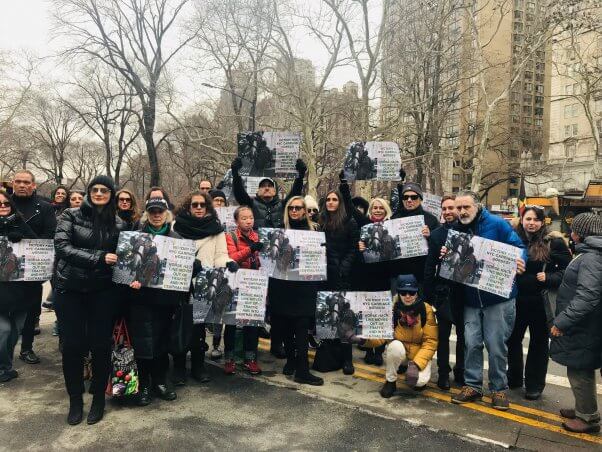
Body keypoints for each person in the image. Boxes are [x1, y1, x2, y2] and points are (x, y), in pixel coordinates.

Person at [447, 191, 526, 411]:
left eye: (466, 207)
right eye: (458, 208)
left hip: (497, 298)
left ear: (477, 206)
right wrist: (447, 253)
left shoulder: (497, 224)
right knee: (471, 343)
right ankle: (472, 385)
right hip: (471, 299)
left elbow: (519, 247)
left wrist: (520, 260)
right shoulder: (455, 229)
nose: (461, 212)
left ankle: (498, 388)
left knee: (496, 345)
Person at [54, 175, 123, 425]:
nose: (99, 193)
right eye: (94, 189)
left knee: (101, 347)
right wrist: (99, 258)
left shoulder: (118, 223)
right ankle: (75, 400)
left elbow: (122, 258)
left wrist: (133, 274)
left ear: (111, 194)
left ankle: (98, 400)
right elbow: (62, 247)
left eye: (104, 190)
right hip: (70, 289)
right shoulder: (70, 215)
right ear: (88, 192)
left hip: (102, 291)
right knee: (72, 346)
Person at [172, 191, 238, 384]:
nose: (199, 208)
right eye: (195, 205)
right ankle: (178, 367)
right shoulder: (176, 226)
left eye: (203, 205)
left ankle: (199, 366)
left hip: (204, 283)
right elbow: (173, 254)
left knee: (199, 327)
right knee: (181, 325)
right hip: (181, 283)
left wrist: (228, 262)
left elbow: (220, 255)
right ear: (188, 207)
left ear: (208, 207)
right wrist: (188, 263)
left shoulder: (216, 229)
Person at [507, 205, 571, 400]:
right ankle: (514, 377)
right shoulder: (511, 239)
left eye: (536, 219)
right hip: (515, 301)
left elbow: (568, 272)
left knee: (538, 344)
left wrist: (549, 277)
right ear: (522, 219)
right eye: (528, 219)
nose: (531, 223)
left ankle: (534, 385)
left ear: (542, 222)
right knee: (511, 341)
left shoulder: (554, 242)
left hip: (540, 303)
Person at [128, 198, 185, 405]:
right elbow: (127, 266)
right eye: (152, 211)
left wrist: (191, 265)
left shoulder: (177, 238)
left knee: (161, 342)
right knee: (142, 343)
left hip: (164, 299)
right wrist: (130, 280)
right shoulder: (136, 238)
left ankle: (160, 382)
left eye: (160, 211)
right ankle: (143, 385)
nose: (156, 214)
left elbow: (182, 269)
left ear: (166, 213)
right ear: (147, 214)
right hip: (140, 298)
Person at [550, 213, 602, 434]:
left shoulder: (591, 257)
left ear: (581, 233)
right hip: (586, 324)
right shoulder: (591, 253)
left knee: (579, 370)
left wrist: (561, 322)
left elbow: (587, 296)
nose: (570, 233)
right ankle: (584, 409)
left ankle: (588, 418)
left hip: (583, 326)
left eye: (573, 230)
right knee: (581, 367)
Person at [269, 196, 324, 385]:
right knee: (285, 327)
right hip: (282, 284)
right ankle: (291, 360)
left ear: (304, 210)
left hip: (304, 287)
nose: (294, 211)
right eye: (291, 208)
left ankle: (302, 370)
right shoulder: (280, 230)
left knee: (301, 327)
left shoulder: (315, 230)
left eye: (298, 208)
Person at [354, 275, 437, 396]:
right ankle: (390, 381)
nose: (408, 296)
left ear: (417, 292)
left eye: (411, 292)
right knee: (394, 345)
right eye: (403, 293)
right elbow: (380, 336)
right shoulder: (391, 309)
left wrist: (416, 364)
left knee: (418, 383)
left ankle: (410, 368)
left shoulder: (426, 309)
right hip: (399, 350)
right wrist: (361, 340)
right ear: (398, 293)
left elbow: (430, 342)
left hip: (418, 353)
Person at [10, 170, 56, 365]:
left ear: (33, 185)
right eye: (18, 181)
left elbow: (49, 237)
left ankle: (26, 348)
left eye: (26, 182)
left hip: (32, 268)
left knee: (30, 311)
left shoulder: (45, 208)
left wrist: (24, 235)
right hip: (6, 267)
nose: (22, 185)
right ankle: (5, 351)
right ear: (13, 184)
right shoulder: (4, 204)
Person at [423, 195, 465, 390]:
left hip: (465, 292)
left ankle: (461, 371)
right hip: (444, 292)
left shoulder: (469, 231)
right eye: (445, 208)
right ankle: (443, 374)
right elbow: (429, 266)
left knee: (465, 336)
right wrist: (429, 294)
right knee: (443, 336)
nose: (448, 211)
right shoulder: (436, 235)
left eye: (451, 208)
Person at [318, 190, 359, 375]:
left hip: (342, 275)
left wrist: (344, 267)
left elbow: (353, 247)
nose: (331, 202)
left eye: (334, 199)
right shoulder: (321, 221)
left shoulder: (349, 222)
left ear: (340, 202)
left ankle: (347, 359)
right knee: (328, 314)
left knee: (344, 317)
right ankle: (330, 354)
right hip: (324, 274)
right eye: (328, 199)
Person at [0, 190, 38, 382]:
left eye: (6, 204)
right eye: (0, 204)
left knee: (14, 331)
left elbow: (36, 245)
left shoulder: (19, 222)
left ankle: (6, 366)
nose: (3, 207)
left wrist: (20, 235)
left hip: (20, 291)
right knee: (3, 331)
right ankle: (1, 368)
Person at [223, 206, 264, 375]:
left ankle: (250, 359)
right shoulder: (230, 236)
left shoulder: (258, 236)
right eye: (244, 218)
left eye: (251, 218)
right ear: (236, 221)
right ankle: (230, 359)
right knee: (231, 323)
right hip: (235, 283)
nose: (248, 221)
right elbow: (232, 258)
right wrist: (251, 249)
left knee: (252, 323)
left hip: (253, 284)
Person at [230, 157, 306, 229]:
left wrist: (300, 175)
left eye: (270, 186)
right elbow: (239, 192)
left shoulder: (283, 205)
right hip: (256, 242)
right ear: (258, 191)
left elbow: (295, 192)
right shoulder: (250, 204)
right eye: (263, 186)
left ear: (275, 191)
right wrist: (236, 174)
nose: (266, 188)